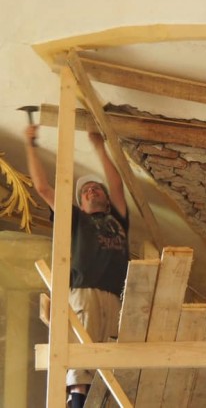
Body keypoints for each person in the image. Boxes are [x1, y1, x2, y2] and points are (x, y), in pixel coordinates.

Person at [24, 125, 129, 408]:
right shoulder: (75, 220)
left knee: (106, 362)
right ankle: (77, 403)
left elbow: (117, 186)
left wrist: (99, 147)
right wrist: (30, 144)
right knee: (80, 359)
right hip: (83, 292)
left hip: (114, 297)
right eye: (85, 191)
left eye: (97, 188)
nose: (91, 190)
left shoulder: (118, 219)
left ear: (107, 201)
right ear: (81, 204)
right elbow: (43, 188)